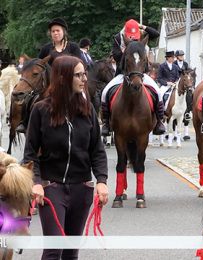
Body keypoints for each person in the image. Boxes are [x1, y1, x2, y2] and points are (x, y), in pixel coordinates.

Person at [23, 56, 108, 259]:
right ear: (63, 78)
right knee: (54, 250)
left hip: (82, 189)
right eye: (78, 75)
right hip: (52, 188)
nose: (84, 79)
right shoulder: (40, 110)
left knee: (71, 253)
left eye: (84, 74)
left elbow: (97, 150)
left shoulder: (88, 111)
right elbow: (29, 154)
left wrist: (101, 181)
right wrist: (35, 183)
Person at [16, 17, 86, 133]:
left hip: (71, 82)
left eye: (58, 30)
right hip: (50, 83)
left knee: (84, 96)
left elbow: (80, 64)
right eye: (53, 31)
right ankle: (25, 121)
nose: (55, 33)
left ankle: (88, 117)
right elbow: (38, 65)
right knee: (30, 98)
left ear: (64, 31)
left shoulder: (73, 47)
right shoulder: (46, 48)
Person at [101, 19, 165, 136]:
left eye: (134, 37)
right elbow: (116, 56)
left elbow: (156, 34)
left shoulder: (142, 35)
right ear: (125, 33)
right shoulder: (118, 38)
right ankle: (106, 122)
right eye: (130, 37)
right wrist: (127, 53)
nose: (133, 39)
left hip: (141, 74)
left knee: (158, 92)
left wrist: (143, 27)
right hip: (123, 73)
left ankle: (159, 121)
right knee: (105, 92)